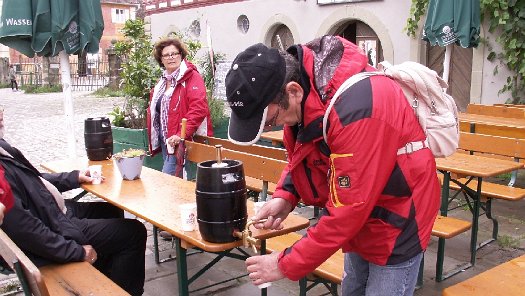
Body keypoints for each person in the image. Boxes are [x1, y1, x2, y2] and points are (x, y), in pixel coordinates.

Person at [225, 36, 440, 295]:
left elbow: (347, 211)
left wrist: (284, 264)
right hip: (362, 216)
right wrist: (286, 195)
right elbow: (303, 154)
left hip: (399, 218)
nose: (273, 126)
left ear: (293, 91)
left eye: (270, 120)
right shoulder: (306, 98)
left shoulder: (359, 109)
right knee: (352, 290)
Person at [0, 109, 147, 295]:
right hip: (54, 224)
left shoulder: (2, 148)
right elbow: (28, 231)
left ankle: (107, 278)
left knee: (111, 210)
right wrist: (76, 252)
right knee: (134, 232)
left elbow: (35, 181)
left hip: (54, 211)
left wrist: (74, 177)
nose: (1, 113)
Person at [147, 37, 213, 177]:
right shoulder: (163, 82)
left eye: (174, 53)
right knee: (175, 182)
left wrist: (180, 135)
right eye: (166, 55)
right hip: (165, 139)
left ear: (181, 55)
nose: (171, 57)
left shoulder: (191, 77)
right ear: (161, 59)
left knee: (168, 180)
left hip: (179, 140)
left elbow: (198, 109)